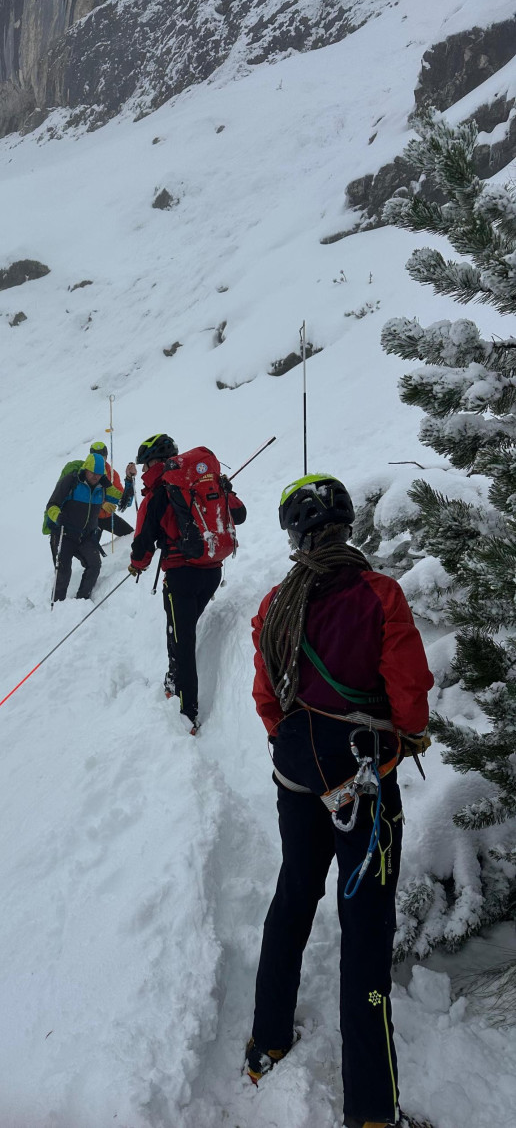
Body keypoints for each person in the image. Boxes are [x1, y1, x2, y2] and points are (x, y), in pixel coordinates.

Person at [246, 473, 434, 1128]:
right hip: (365, 784)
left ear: (295, 534)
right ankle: (373, 1113)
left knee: (294, 895)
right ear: (346, 526)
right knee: (365, 929)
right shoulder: (379, 595)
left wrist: (305, 751)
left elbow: (268, 698)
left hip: (298, 781)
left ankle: (267, 1038)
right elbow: (409, 689)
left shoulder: (275, 603)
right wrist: (401, 736)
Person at [128, 433, 246, 733]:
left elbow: (143, 540)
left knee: (183, 642)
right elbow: (239, 514)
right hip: (212, 570)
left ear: (155, 462)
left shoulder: (159, 493)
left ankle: (186, 712)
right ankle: (173, 677)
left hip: (181, 575)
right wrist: (224, 490)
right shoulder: (201, 484)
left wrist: (136, 565)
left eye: (145, 465)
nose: (143, 472)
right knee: (182, 633)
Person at [45, 451, 110, 601]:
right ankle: (57, 606)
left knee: (94, 565)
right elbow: (52, 504)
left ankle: (81, 601)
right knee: (63, 572)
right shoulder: (71, 481)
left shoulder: (102, 487)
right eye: (93, 473)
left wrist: (128, 479)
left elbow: (118, 497)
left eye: (99, 474)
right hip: (63, 533)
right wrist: (57, 516)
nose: (95, 476)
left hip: (85, 536)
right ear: (86, 469)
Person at [88, 441, 137, 538]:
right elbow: (83, 496)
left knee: (131, 535)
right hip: (91, 518)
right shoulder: (86, 472)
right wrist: (102, 504)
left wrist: (129, 479)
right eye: (96, 456)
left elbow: (126, 501)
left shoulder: (112, 474)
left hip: (108, 517)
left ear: (106, 456)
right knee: (89, 549)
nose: (99, 460)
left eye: (102, 456)